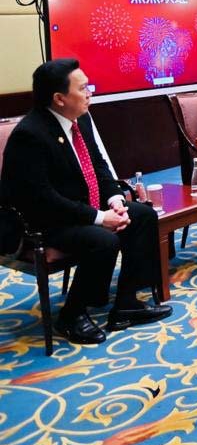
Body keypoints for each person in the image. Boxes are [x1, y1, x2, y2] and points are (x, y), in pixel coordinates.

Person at [0, 59, 171, 345]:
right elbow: (42, 199)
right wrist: (100, 218)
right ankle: (72, 314)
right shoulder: (30, 135)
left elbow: (99, 165)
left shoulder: (81, 119)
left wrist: (115, 199)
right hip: (43, 221)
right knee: (103, 240)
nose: (90, 93)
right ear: (59, 98)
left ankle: (127, 303)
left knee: (142, 215)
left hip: (80, 206)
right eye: (82, 88)